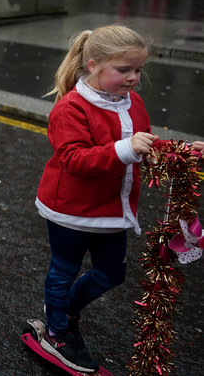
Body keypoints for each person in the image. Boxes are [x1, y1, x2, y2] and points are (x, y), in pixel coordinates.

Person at [36, 25, 157, 373]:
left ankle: (61, 309)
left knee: (111, 273)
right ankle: (57, 332)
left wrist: (178, 152)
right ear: (92, 65)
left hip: (110, 209)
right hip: (69, 211)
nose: (134, 78)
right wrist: (125, 148)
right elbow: (73, 160)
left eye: (139, 70)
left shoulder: (134, 102)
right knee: (64, 270)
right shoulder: (71, 107)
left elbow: (142, 145)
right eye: (124, 70)